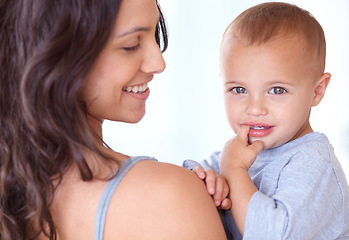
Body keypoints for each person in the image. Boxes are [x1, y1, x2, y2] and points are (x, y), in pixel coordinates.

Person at [0, 0, 228, 239]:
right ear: (56, 55)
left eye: (154, 33)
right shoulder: (165, 196)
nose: (158, 63)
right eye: (131, 45)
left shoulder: (13, 194)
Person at [184, 2, 349, 239]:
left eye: (277, 90)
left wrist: (233, 171)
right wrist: (204, 179)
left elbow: (273, 235)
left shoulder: (314, 163)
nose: (254, 108)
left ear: (317, 91)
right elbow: (183, 181)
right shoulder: (237, 153)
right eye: (239, 89)